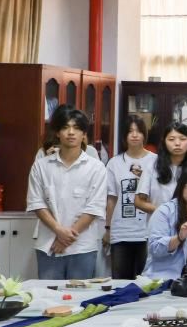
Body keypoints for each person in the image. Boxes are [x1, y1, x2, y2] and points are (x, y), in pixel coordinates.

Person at [26, 108, 109, 280]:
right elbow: (36, 203)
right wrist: (58, 231)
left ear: (84, 134)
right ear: (57, 133)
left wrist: (65, 238)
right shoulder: (41, 166)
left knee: (80, 296)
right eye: (65, 127)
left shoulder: (96, 168)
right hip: (49, 245)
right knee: (48, 294)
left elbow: (94, 207)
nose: (71, 132)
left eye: (76, 128)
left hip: (82, 247)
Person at [103, 114, 158, 278]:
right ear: (124, 136)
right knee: (119, 282)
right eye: (130, 131)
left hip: (148, 232)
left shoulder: (156, 161)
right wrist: (108, 229)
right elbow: (112, 199)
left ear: (144, 134)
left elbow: (159, 195)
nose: (134, 135)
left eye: (138, 131)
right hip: (121, 232)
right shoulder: (114, 163)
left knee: (146, 283)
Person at [136, 122, 187, 215]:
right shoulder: (153, 165)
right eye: (171, 139)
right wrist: (165, 212)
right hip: (158, 221)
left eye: (183, 139)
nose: (177, 143)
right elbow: (139, 201)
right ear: (164, 142)